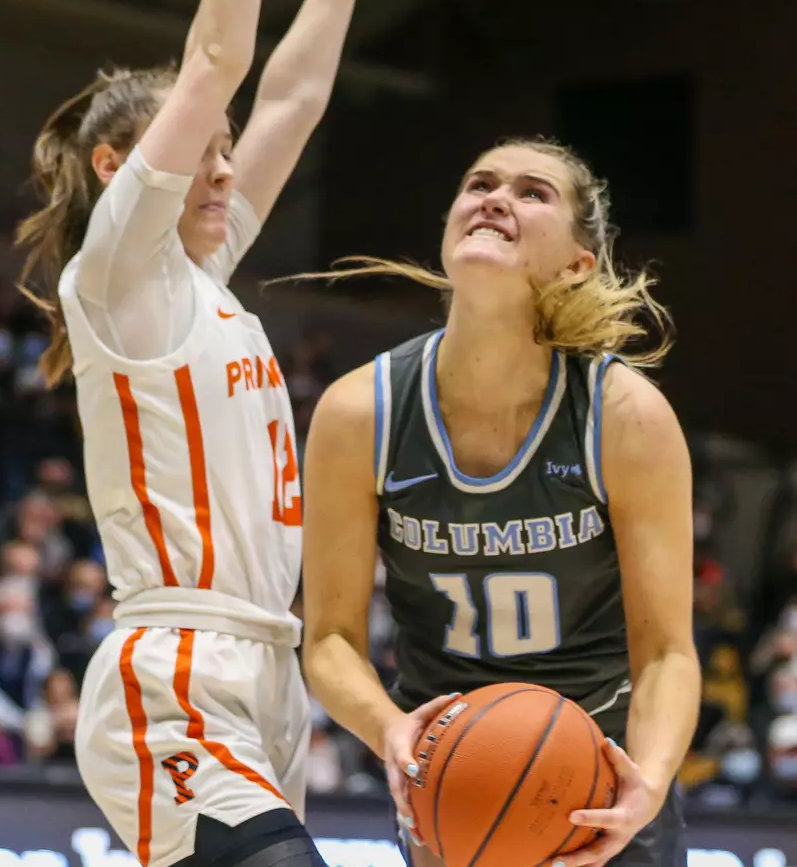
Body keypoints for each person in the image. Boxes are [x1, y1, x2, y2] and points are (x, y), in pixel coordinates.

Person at [13, 0, 382, 863]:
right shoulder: (118, 274)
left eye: (227, 158)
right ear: (122, 167)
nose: (226, 173)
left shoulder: (203, 276)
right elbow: (222, 62)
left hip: (269, 676)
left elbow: (295, 96)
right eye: (204, 154)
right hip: (175, 667)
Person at [300, 138, 702, 867]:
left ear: (579, 263)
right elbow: (328, 639)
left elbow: (669, 652)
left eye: (532, 192)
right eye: (479, 184)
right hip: (454, 778)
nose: (494, 198)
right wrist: (389, 728)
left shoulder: (623, 416)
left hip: (601, 772)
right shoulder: (359, 412)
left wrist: (648, 781)